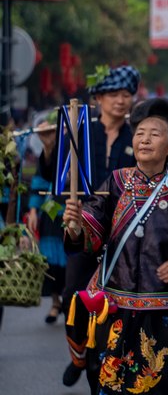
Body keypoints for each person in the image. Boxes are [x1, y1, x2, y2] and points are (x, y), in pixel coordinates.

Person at [62, 98, 168, 395]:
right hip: (116, 304)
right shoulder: (117, 182)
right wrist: (76, 224)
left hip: (164, 308)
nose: (145, 139)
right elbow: (93, 228)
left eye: (155, 134)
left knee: (160, 386)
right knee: (111, 383)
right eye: (140, 133)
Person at [61, 64, 140, 388]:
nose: (120, 101)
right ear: (98, 98)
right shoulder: (80, 129)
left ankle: (111, 366)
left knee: (119, 303)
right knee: (73, 296)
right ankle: (78, 355)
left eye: (126, 95)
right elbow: (59, 174)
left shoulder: (138, 135)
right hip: (84, 224)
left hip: (124, 230)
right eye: (113, 95)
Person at [26, 115, 66, 324]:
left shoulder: (79, 150)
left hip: (74, 211)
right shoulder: (47, 153)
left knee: (71, 260)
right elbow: (40, 180)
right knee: (50, 262)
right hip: (51, 213)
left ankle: (69, 303)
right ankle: (55, 302)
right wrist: (33, 210)